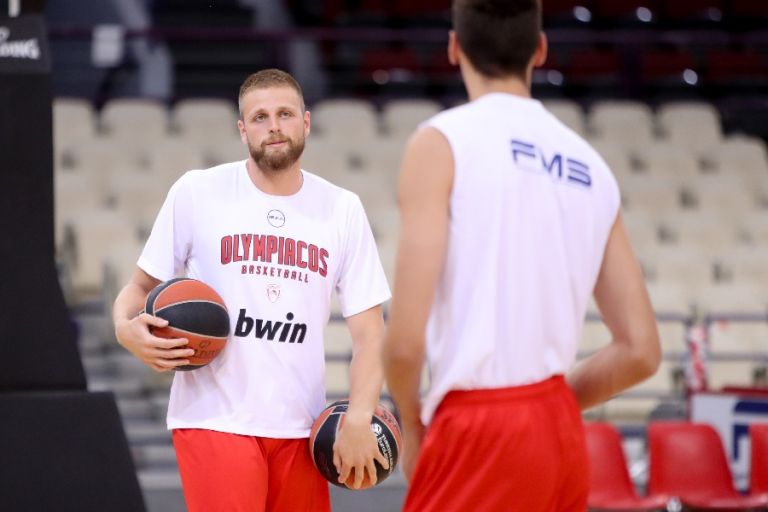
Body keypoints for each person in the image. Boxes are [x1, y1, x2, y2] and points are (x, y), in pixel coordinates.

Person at [382, 1, 662, 510]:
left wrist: (415, 427)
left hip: (477, 425)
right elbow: (641, 351)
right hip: (558, 430)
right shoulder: (591, 165)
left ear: (454, 48)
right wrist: (548, 405)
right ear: (540, 49)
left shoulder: (441, 142)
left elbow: (403, 344)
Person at [113, 68, 391, 512]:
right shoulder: (197, 191)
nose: (274, 126)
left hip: (301, 427)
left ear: (306, 122)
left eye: (285, 114)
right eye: (260, 117)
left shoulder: (342, 209)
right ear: (243, 130)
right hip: (214, 417)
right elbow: (138, 288)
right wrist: (124, 327)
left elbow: (370, 333)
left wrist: (360, 414)